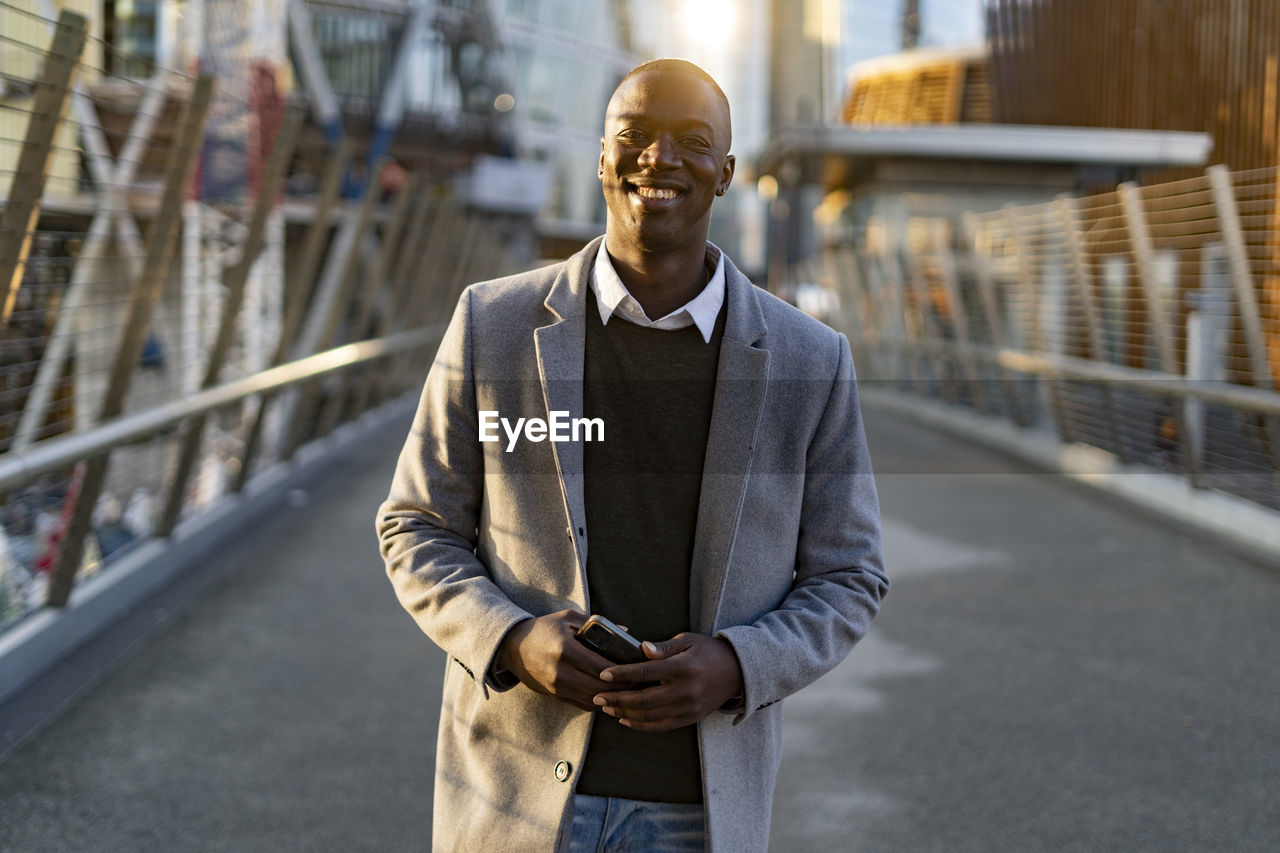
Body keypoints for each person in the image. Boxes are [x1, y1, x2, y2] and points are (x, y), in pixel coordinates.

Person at [376, 58, 887, 853]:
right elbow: (414, 525)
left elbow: (851, 575)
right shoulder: (492, 324)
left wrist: (738, 664)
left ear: (727, 171)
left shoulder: (810, 360)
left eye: (692, 142)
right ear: (602, 156)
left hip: (700, 811)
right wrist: (511, 638)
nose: (660, 158)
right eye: (635, 136)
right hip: (512, 802)